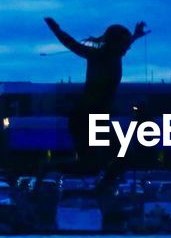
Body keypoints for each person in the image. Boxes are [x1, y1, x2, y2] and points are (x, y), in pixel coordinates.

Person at [43, 17, 149, 168]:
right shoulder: (99, 55)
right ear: (114, 43)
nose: (127, 48)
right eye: (124, 44)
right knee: (103, 161)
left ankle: (101, 188)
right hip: (86, 118)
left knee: (110, 160)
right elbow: (73, 45)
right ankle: (48, 168)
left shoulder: (115, 53)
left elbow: (125, 43)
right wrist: (57, 31)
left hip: (94, 118)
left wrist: (136, 35)